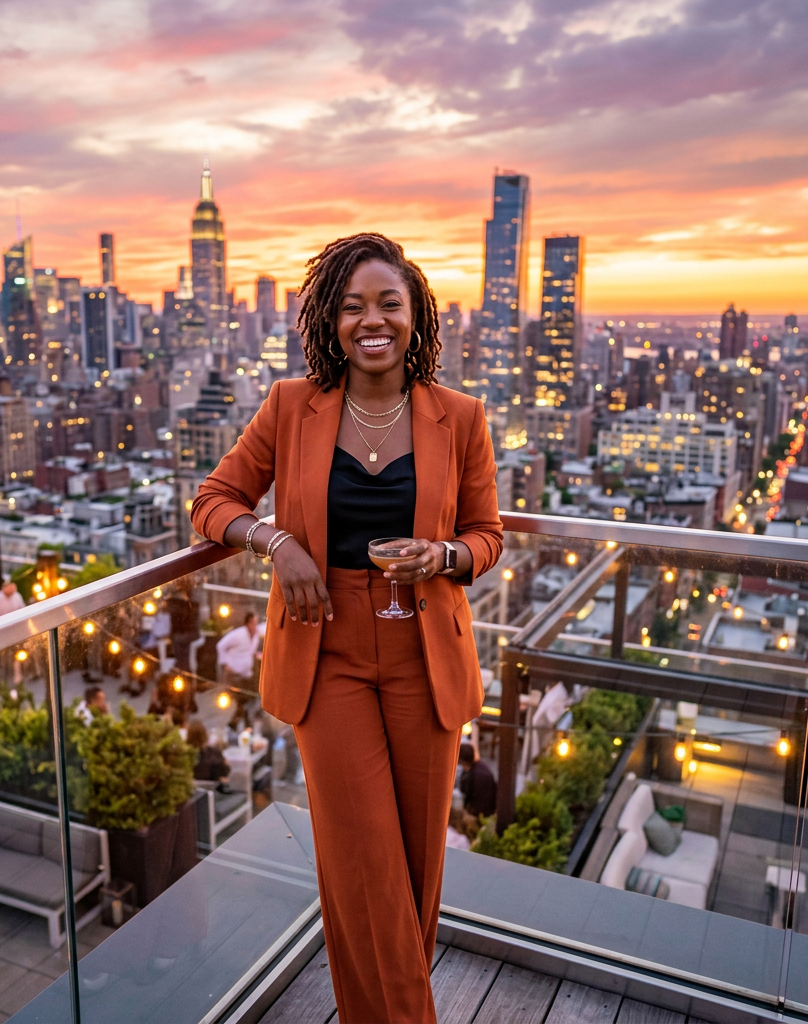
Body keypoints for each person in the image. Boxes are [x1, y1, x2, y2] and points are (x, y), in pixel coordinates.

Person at [192, 233, 503, 1023]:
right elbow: (213, 501)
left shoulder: (459, 418)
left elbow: (488, 537)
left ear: (416, 315)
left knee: (414, 871)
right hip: (324, 649)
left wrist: (442, 553)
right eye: (353, 305)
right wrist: (277, 542)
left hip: (423, 651)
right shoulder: (292, 408)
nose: (373, 320)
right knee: (362, 857)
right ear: (329, 319)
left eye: (388, 304)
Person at [216, 612, 266, 731]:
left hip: (246, 675)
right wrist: (225, 663)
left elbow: (265, 629)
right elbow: (220, 645)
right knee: (241, 701)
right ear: (248, 624)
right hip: (234, 675)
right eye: (253, 623)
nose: (255, 626)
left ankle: (237, 724)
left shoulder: (255, 635)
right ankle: (244, 725)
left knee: (249, 700)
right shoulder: (238, 635)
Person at [186, 719, 232, 790]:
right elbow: (225, 771)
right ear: (204, 734)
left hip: (190, 792)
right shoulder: (213, 753)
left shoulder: (184, 754)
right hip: (213, 792)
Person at [458, 742, 497, 819]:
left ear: (463, 761)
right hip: (484, 810)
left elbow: (479, 801)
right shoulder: (478, 767)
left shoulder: (478, 775)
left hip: (480, 814)